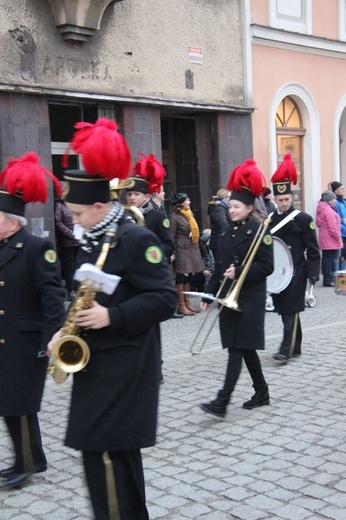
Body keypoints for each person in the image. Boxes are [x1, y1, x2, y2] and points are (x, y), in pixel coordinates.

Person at [47, 118, 177, 520]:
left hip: (125, 368)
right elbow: (88, 293)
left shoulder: (135, 239)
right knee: (109, 462)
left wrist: (112, 316)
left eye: (79, 213)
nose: (74, 221)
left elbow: (165, 299)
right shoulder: (93, 239)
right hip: (99, 369)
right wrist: (62, 330)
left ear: (101, 206)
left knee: (106, 460)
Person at [0, 152, 65, 488]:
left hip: (26, 341)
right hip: (5, 339)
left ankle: (25, 463)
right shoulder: (2, 246)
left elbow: (54, 297)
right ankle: (33, 458)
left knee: (20, 403)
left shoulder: (37, 248)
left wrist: (50, 340)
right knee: (10, 402)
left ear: (13, 222)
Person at [200, 159, 274, 418]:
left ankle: (222, 401)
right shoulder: (227, 232)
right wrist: (209, 294)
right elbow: (220, 266)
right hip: (228, 297)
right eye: (230, 206)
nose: (231, 210)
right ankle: (261, 391)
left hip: (250, 299)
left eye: (236, 206)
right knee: (245, 347)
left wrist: (240, 271)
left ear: (249, 207)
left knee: (236, 348)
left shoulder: (259, 230)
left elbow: (267, 266)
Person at [269, 154, 320, 363]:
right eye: (280, 200)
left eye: (287, 200)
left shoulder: (302, 219)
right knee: (285, 310)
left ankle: (285, 350)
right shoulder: (270, 220)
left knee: (290, 310)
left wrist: (313, 274)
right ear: (274, 200)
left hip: (297, 270)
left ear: (292, 198)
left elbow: (313, 249)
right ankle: (296, 346)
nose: (283, 203)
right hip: (278, 273)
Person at [125, 153, 174, 263]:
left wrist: (149, 253)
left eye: (136, 194)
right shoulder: (124, 215)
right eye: (129, 194)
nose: (132, 198)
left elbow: (169, 246)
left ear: (146, 196)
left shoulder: (158, 215)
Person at [170, 192, 204, 316]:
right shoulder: (174, 216)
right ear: (181, 203)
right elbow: (171, 235)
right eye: (187, 200)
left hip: (191, 248)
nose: (189, 202)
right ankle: (181, 305)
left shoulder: (188, 214)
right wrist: (172, 251)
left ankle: (188, 303)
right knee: (181, 276)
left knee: (189, 275)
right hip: (181, 249)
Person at [54, 182, 80, 301]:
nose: (63, 193)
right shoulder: (59, 205)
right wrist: (71, 234)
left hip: (78, 240)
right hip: (67, 242)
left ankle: (78, 288)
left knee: (79, 265)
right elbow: (58, 222)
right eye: (62, 191)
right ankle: (71, 291)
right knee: (69, 267)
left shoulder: (74, 204)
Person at [316, 190, 343, 287]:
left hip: (325, 237)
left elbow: (319, 224)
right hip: (331, 238)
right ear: (329, 200)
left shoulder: (322, 209)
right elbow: (332, 227)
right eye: (333, 198)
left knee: (327, 258)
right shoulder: (328, 210)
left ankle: (328, 278)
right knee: (333, 259)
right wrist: (338, 237)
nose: (335, 200)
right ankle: (330, 279)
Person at [207, 188, 231, 259]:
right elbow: (223, 224)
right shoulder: (218, 208)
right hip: (219, 242)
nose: (230, 199)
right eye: (229, 197)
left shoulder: (222, 207)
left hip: (221, 241)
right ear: (225, 197)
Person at [330, 181, 346, 269]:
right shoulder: (335, 203)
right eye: (341, 189)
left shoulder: (344, 202)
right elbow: (337, 219)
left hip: (345, 231)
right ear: (335, 191)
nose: (343, 190)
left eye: (344, 188)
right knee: (340, 256)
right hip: (341, 233)